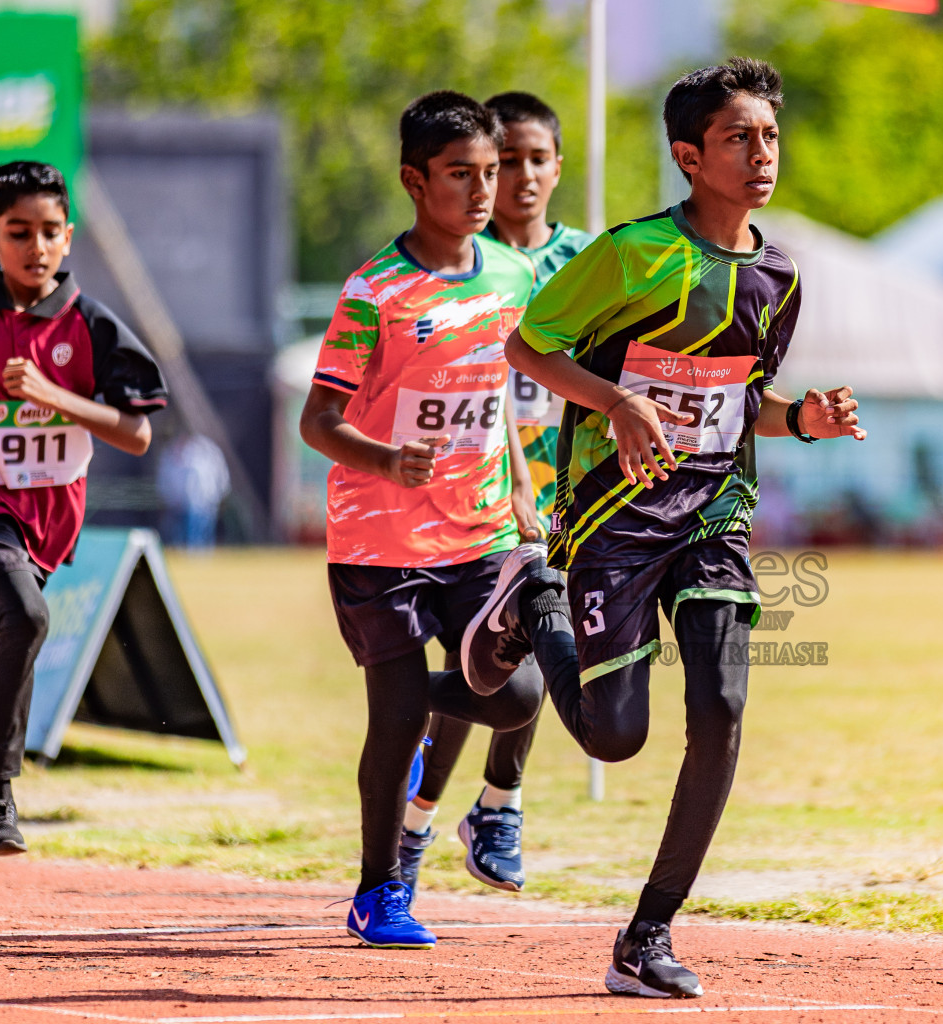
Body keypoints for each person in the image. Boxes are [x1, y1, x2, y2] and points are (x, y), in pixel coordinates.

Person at [467, 58, 866, 999]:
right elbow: (528, 346)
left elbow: (745, 398)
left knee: (723, 712)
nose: (761, 153)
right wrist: (618, 405)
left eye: (769, 135)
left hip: (716, 514)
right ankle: (535, 602)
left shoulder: (780, 273)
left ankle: (646, 937)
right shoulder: (634, 253)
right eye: (738, 138)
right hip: (613, 517)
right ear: (689, 156)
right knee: (613, 739)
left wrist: (802, 418)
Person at [298, 91, 544, 951]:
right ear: (414, 180)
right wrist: (385, 460)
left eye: (493, 173)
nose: (485, 191)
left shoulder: (511, 276)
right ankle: (378, 893)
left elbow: (500, 398)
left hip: (478, 536)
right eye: (461, 176)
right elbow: (317, 422)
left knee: (515, 692)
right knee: (400, 717)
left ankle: (395, 726)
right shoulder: (376, 292)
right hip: (379, 544)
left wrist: (519, 488)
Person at [0, 161, 168, 854]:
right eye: (19, 232)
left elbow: (138, 433)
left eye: (50, 231)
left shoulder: (93, 327)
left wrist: (57, 398)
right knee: (25, 614)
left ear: (70, 237)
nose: (36, 247)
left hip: (48, 526)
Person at [400, 91, 594, 898]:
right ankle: (420, 820)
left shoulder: (585, 263)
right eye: (503, 159)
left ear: (557, 168)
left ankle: (494, 804)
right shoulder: (453, 260)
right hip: (465, 490)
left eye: (535, 160)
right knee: (477, 662)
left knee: (540, 647)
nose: (518, 176)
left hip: (560, 491)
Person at [156, 432, 230, 549]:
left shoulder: (210, 453)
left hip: (206, 502)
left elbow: (221, 477)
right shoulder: (172, 454)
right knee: (180, 536)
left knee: (203, 535)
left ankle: (201, 559)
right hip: (180, 504)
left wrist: (219, 496)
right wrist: (170, 499)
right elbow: (166, 480)